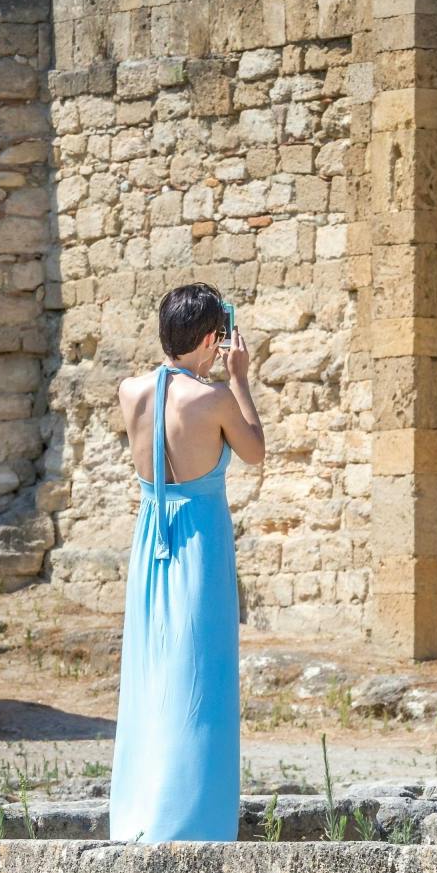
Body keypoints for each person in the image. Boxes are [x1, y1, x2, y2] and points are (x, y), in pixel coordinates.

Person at [108, 283, 265, 842]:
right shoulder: (214, 398)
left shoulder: (131, 391)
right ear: (207, 339)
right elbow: (255, 451)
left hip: (150, 537)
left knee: (153, 672)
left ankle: (139, 816)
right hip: (199, 540)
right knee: (201, 674)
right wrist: (240, 376)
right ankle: (192, 821)